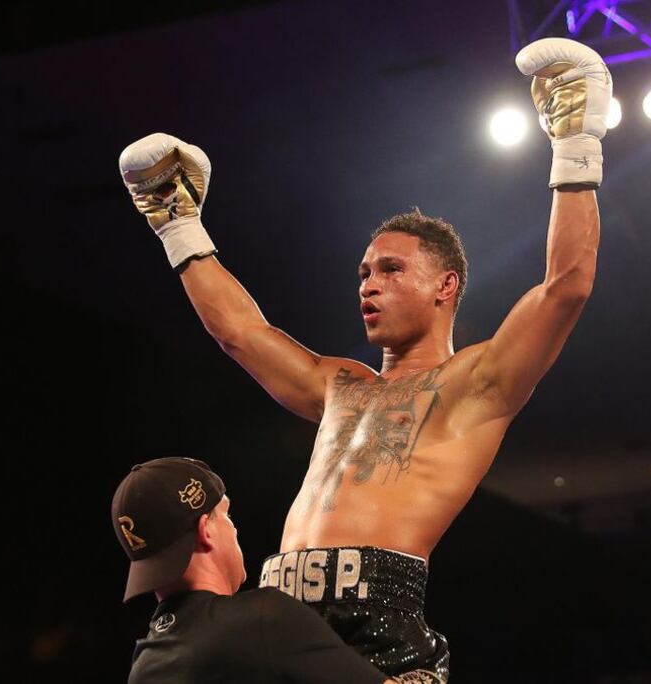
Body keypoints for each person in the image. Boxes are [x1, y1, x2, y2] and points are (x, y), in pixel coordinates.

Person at [117, 38, 612, 683]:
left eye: (390, 270)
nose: (368, 285)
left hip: (376, 629)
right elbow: (240, 333)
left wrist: (575, 137)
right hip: (278, 621)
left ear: (445, 286)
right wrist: (177, 225)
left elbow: (565, 287)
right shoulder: (338, 384)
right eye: (363, 273)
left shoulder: (476, 383)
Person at [112, 457, 395, 684]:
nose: (233, 528)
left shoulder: (143, 665)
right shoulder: (263, 619)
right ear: (205, 530)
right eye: (227, 515)